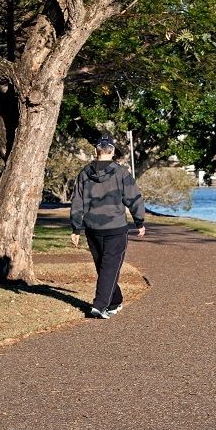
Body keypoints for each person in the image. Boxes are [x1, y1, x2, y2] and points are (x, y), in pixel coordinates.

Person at [69, 135, 146, 319]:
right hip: (115, 228)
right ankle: (99, 305)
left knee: (104, 268)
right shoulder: (121, 173)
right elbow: (134, 198)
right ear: (111, 151)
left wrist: (75, 228)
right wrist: (140, 222)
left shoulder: (84, 173)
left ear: (97, 151)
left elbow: (77, 201)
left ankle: (115, 301)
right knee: (109, 268)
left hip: (92, 228)